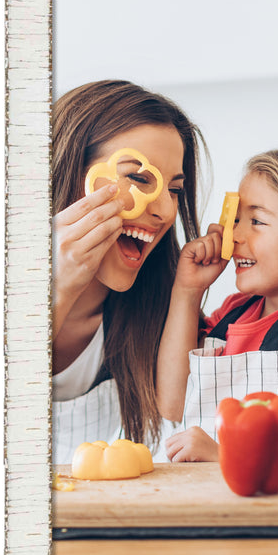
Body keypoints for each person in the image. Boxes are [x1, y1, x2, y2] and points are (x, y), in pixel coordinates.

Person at [52, 79, 207, 464]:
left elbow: (175, 425)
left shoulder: (163, 314)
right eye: (138, 179)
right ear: (71, 172)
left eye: (174, 189)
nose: (166, 212)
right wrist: (55, 289)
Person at [157, 145, 278, 462]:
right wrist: (187, 289)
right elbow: (173, 404)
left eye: (256, 221)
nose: (233, 235)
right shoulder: (233, 315)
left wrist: (230, 454)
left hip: (276, 507)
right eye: (236, 219)